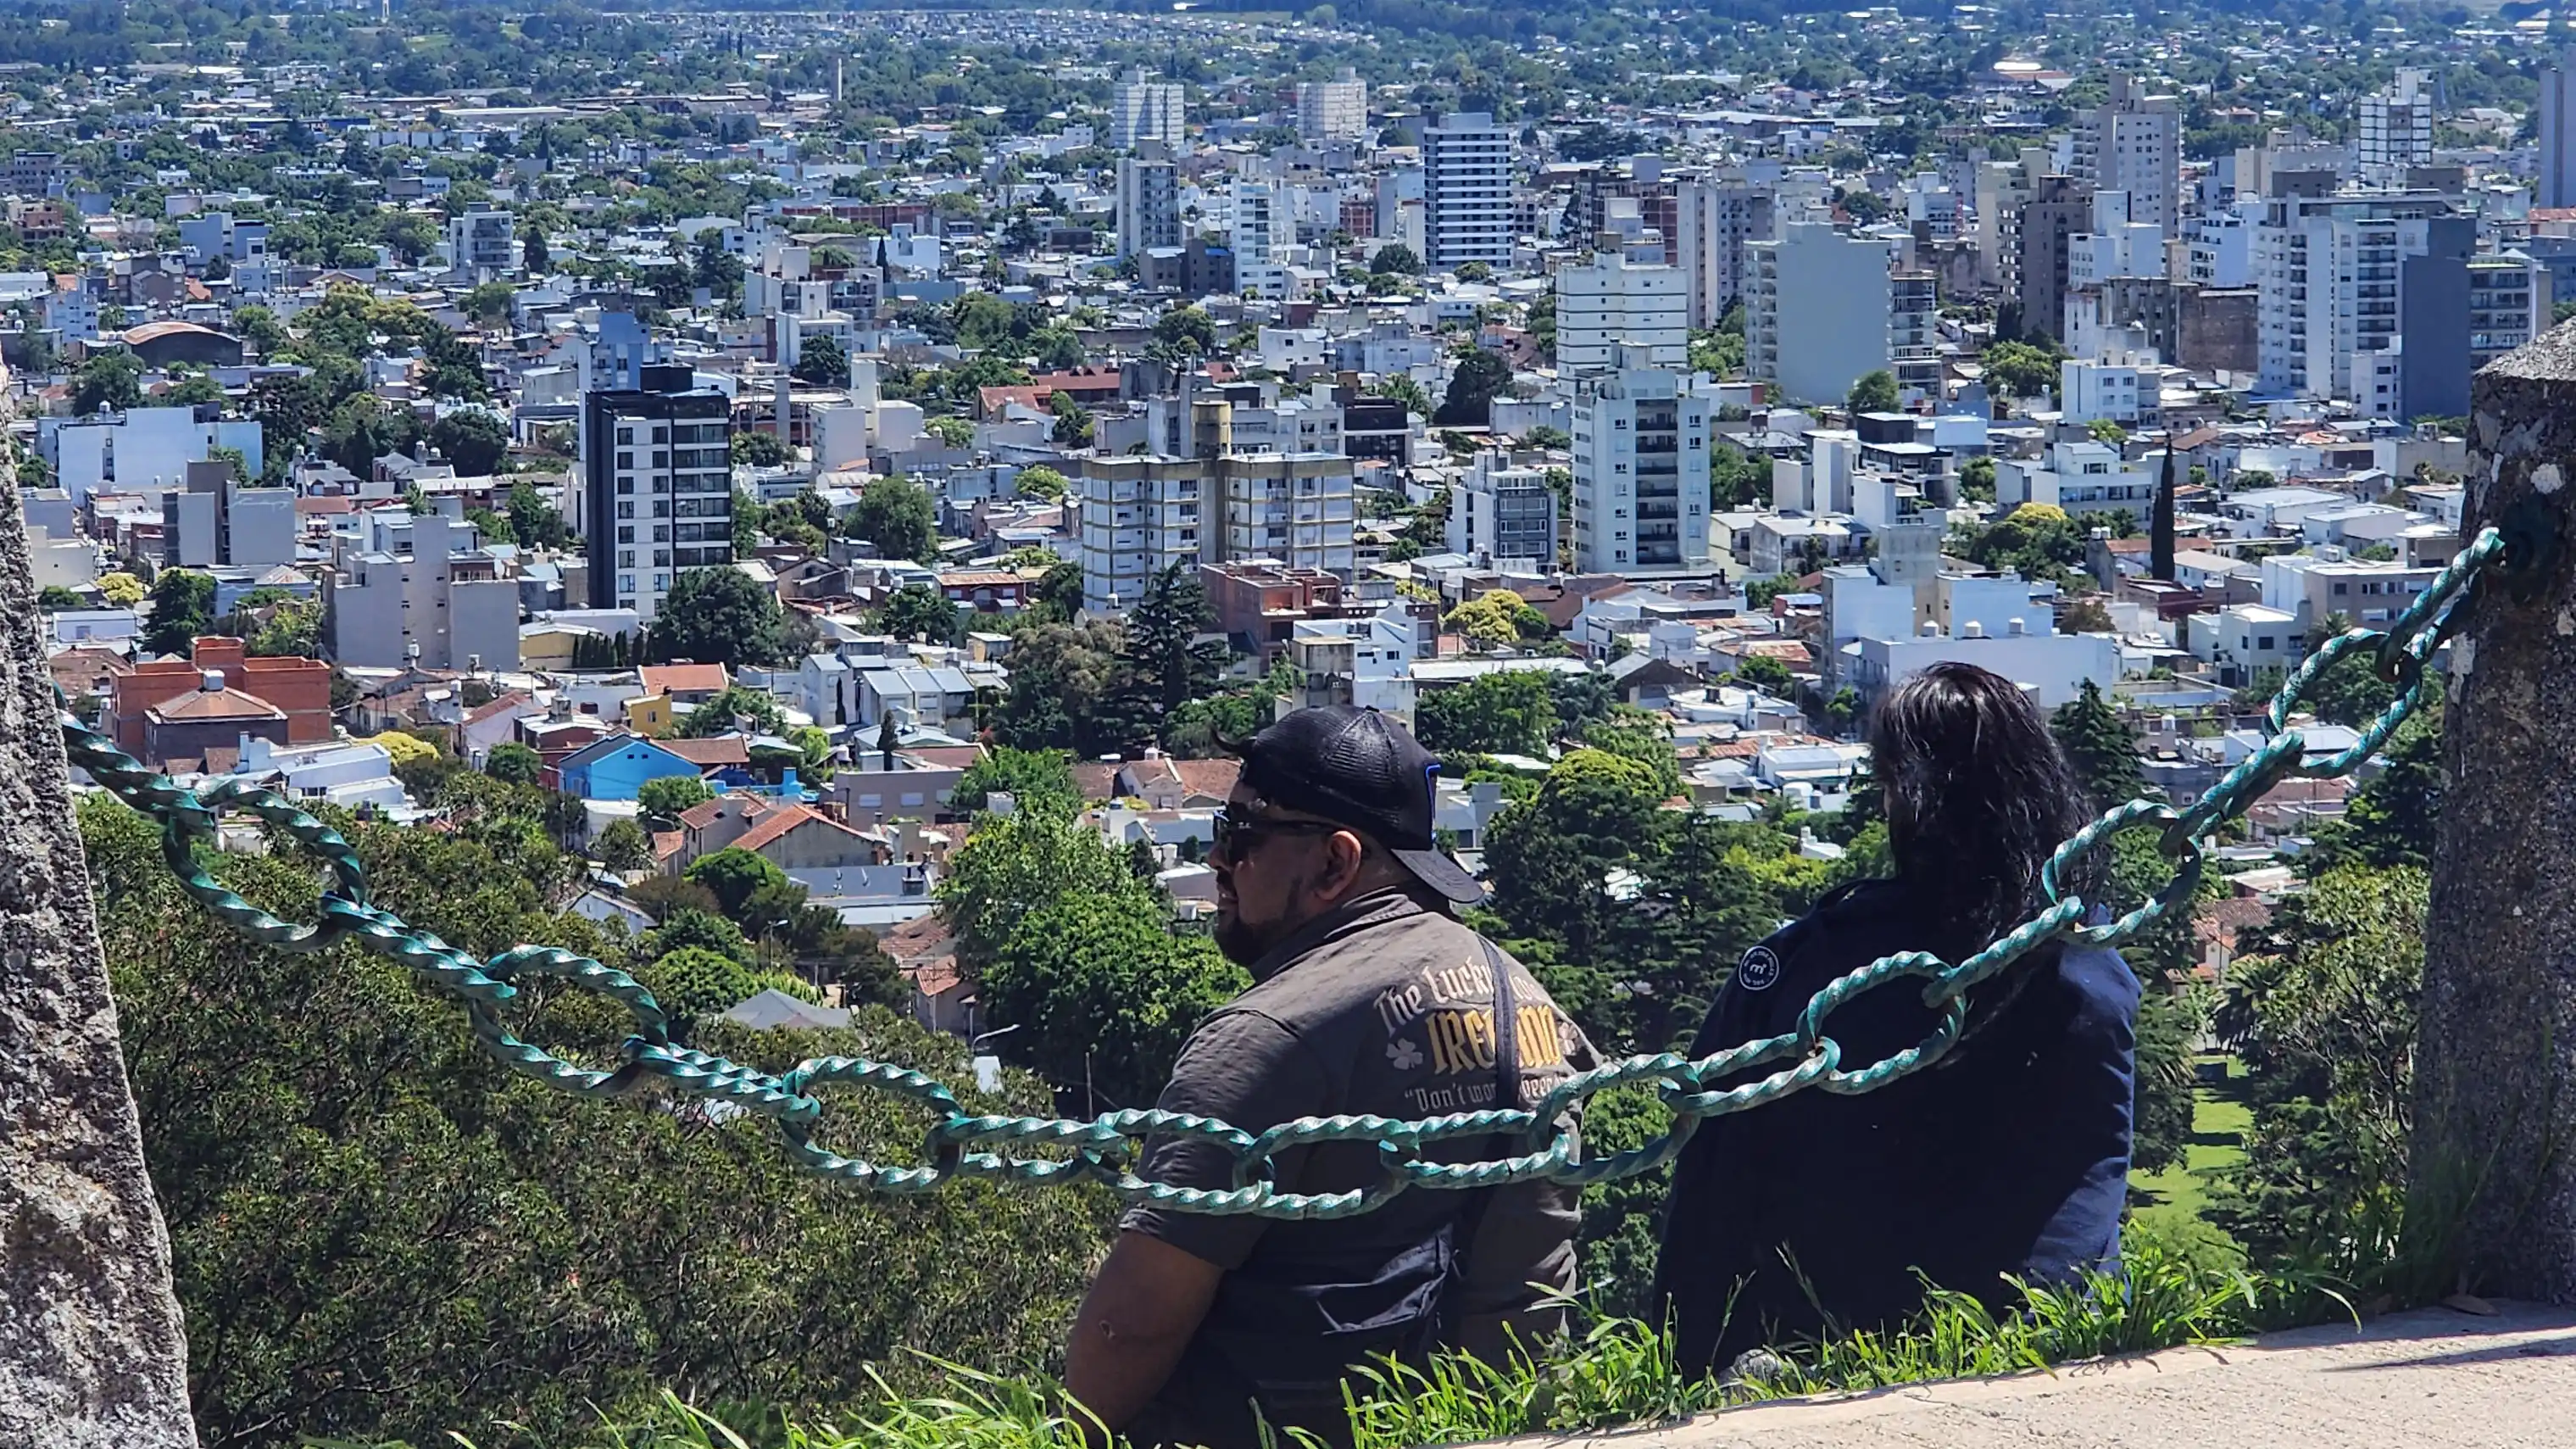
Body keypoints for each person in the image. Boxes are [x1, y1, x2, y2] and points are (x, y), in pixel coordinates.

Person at [1065, 705, 1600, 1449]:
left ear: (1334, 864)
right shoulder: (1532, 1002)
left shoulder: (1271, 1034)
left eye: (1241, 833)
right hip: (1504, 1426)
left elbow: (1133, 1328)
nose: (1217, 858)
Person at [1653, 662, 2139, 1376]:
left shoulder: (1807, 973)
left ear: (1896, 795)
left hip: (1825, 1349)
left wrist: (1682, 1360)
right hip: (2057, 1341)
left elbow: (1711, 1191)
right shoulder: (2086, 969)